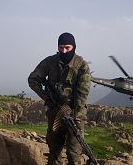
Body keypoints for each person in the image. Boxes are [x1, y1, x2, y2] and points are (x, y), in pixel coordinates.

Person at [28, 32, 91, 165]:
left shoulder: (82, 66)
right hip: (55, 111)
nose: (64, 51)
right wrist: (46, 98)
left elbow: (82, 95)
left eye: (67, 48)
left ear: (73, 47)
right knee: (54, 150)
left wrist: (75, 116)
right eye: (61, 47)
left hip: (74, 114)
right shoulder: (50, 62)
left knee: (74, 153)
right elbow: (33, 79)